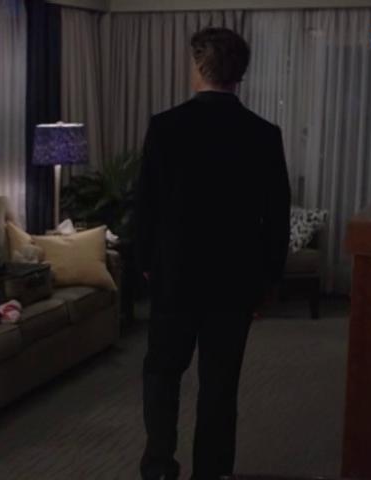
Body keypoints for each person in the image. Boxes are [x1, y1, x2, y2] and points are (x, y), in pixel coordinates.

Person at [135, 27, 291, 480]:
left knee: (162, 374)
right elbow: (276, 217)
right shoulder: (264, 134)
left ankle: (159, 467)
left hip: (175, 276)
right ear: (238, 72)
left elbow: (146, 205)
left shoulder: (165, 127)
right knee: (220, 385)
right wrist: (270, 279)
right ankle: (212, 472)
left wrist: (145, 264)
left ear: (200, 66)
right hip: (235, 281)